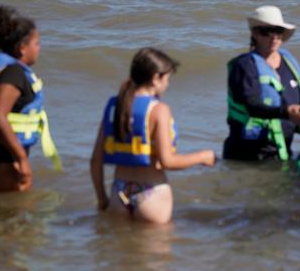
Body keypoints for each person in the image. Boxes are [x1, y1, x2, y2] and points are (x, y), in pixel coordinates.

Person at [90, 47, 216, 224]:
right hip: (151, 194)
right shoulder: (158, 110)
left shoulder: (116, 107)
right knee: (156, 250)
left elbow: (95, 160)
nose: (168, 85)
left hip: (119, 192)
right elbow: (167, 162)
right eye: (167, 79)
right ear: (156, 78)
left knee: (121, 249)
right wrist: (203, 157)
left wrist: (102, 198)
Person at [0, 5, 61, 192]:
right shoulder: (13, 74)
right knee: (20, 217)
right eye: (37, 43)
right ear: (22, 48)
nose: (39, 48)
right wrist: (22, 159)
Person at [223, 6, 300, 161]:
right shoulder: (244, 66)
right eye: (266, 31)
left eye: (278, 31)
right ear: (255, 33)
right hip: (249, 157)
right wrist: (287, 113)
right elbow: (252, 105)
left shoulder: (288, 61)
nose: (273, 37)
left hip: (282, 152)